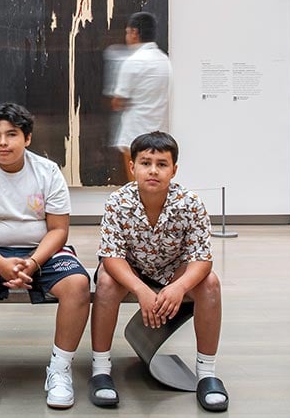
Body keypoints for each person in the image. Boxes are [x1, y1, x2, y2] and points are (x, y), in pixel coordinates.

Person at [0, 103, 91, 409]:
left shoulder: (47, 171)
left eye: (11, 135)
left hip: (43, 250)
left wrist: (33, 262)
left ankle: (59, 370)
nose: (2, 143)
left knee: (78, 285)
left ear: (27, 138)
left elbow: (58, 230)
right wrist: (1, 264)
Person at [88, 131, 228, 412]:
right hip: (130, 272)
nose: (153, 170)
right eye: (145, 163)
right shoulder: (118, 201)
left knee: (210, 283)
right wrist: (140, 290)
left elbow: (202, 258)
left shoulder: (191, 203)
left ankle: (207, 374)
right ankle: (100, 370)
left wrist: (177, 287)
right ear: (132, 167)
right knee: (105, 281)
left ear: (173, 170)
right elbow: (112, 256)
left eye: (162, 164)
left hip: (172, 273)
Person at [111, 12, 171, 180]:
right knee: (157, 185)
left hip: (135, 133)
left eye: (127, 32)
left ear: (135, 33)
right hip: (160, 133)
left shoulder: (133, 61)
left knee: (136, 188)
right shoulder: (164, 60)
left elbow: (118, 101)